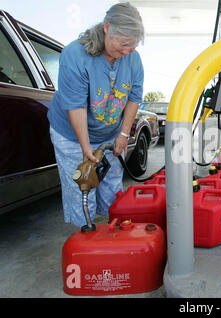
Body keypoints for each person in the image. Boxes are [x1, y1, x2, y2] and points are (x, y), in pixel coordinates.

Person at [48, 2, 145, 227]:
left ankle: (114, 232)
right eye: (123, 44)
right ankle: (86, 237)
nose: (127, 52)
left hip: (109, 132)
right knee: (85, 185)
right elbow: (76, 107)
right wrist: (85, 147)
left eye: (133, 46)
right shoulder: (75, 55)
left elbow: (133, 98)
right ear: (107, 27)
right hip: (72, 135)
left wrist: (123, 134)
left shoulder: (133, 58)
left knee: (111, 184)